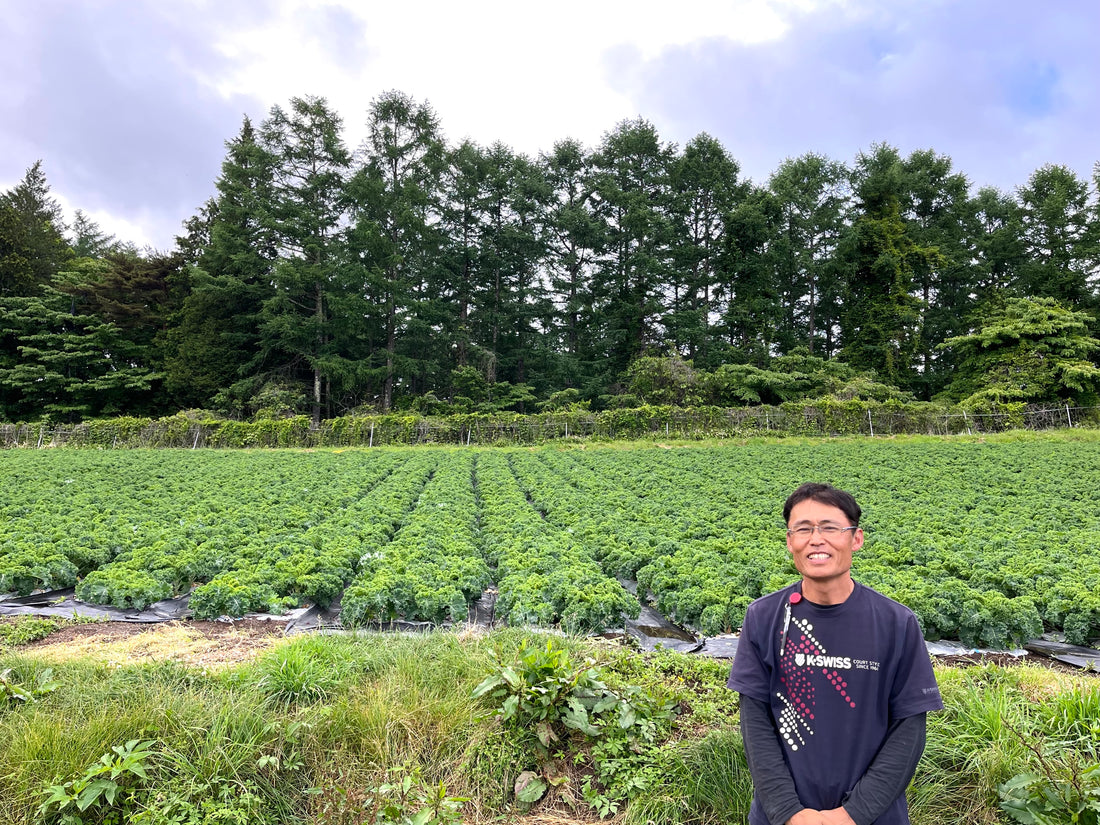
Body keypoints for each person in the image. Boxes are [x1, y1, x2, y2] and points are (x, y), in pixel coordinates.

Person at [727, 482, 942, 825]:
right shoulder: (763, 617)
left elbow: (909, 730)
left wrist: (852, 815)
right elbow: (755, 724)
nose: (816, 539)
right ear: (789, 541)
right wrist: (788, 813)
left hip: (873, 817)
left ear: (856, 539)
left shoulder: (896, 623)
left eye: (830, 527)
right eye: (803, 529)